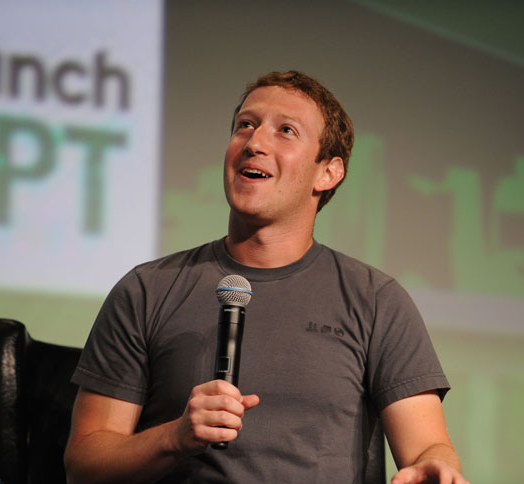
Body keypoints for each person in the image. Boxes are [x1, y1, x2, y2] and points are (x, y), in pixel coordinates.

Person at [64, 70, 469, 484]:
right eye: (245, 125)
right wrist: (174, 437)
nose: (254, 143)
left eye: (286, 131)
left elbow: (427, 448)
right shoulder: (147, 290)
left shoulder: (376, 300)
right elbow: (84, 464)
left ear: (328, 173)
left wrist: (435, 466)